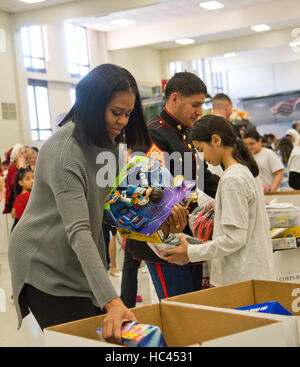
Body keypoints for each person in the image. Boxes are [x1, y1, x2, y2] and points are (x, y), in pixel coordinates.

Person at [8, 64, 187, 344]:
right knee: (79, 338)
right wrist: (112, 301)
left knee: (99, 334)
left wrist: (156, 218)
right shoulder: (64, 151)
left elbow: (110, 207)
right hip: (43, 258)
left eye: (128, 114)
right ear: (92, 105)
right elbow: (79, 231)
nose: (123, 122)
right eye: (116, 112)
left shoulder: (111, 146)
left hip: (75, 255)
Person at [122, 72, 220, 302]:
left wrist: (234, 192)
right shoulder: (152, 134)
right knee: (179, 308)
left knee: (195, 306)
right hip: (163, 238)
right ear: (174, 99)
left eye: (202, 105)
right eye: (195, 105)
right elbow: (146, 187)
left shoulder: (185, 134)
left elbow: (200, 177)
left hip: (188, 236)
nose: (199, 111)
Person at [161, 114, 276, 286]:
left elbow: (234, 239)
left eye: (200, 149)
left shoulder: (232, 180)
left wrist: (190, 251)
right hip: (252, 274)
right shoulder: (243, 172)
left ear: (216, 140)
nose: (201, 157)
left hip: (240, 278)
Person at [244, 128, 283, 193]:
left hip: (271, 194)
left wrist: (272, 190)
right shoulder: (246, 157)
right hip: (256, 195)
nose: (249, 147)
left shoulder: (268, 153)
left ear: (259, 141)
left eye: (252, 144)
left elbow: (279, 174)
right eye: (246, 145)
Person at [2, 144, 27, 214]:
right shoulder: (13, 167)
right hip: (16, 198)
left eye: (25, 152)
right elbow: (15, 185)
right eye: (22, 153)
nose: (24, 155)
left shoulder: (25, 165)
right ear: (17, 155)